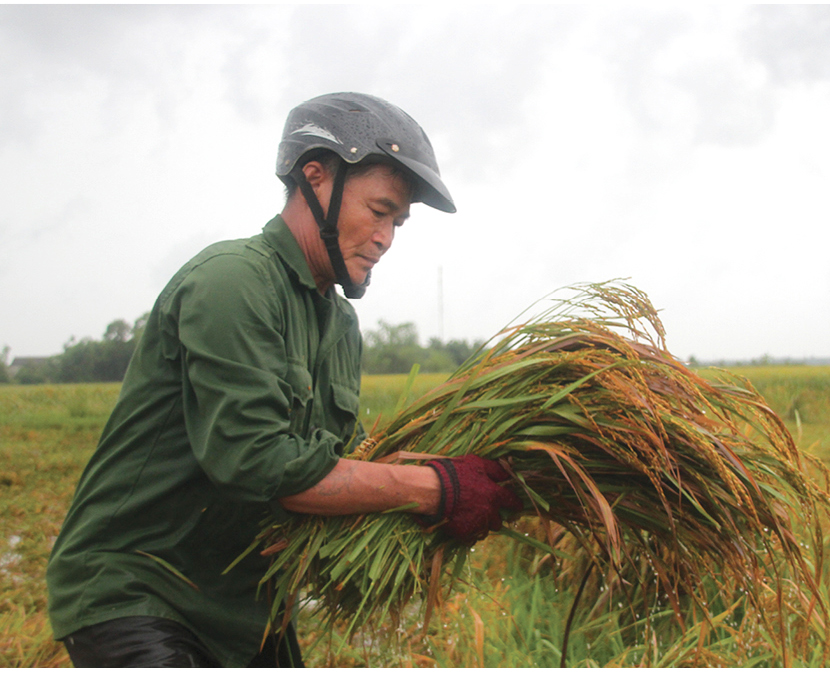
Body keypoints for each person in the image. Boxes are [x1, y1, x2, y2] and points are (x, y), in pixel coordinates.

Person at [45, 92, 523, 667]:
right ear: (315, 177)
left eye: (398, 222)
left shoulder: (339, 323)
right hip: (137, 589)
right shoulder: (232, 282)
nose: (386, 238)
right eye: (378, 210)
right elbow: (261, 465)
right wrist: (433, 488)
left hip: (246, 605)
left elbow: (339, 462)